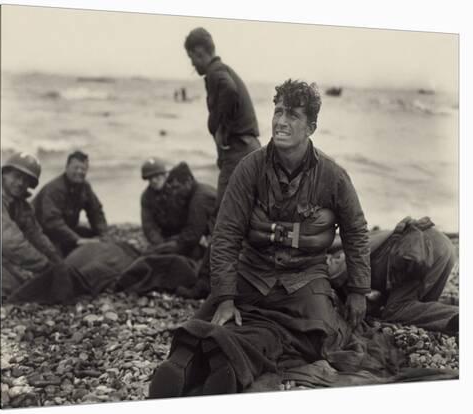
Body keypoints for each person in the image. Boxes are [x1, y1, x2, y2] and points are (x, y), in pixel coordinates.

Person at [149, 79, 374, 398]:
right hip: (252, 275)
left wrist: (358, 290)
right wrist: (226, 296)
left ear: (310, 126)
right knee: (215, 319)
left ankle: (222, 360)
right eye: (278, 111)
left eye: (293, 115)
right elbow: (225, 233)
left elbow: (355, 231)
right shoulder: (249, 168)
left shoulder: (332, 176)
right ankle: (186, 366)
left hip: (305, 281)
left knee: (315, 339)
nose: (281, 121)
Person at [328, 216, 458, 333]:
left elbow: (335, 272)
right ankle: (454, 314)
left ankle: (457, 315)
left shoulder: (344, 256)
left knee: (396, 310)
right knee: (422, 309)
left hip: (417, 251)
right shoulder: (368, 241)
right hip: (442, 246)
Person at [184, 27, 261, 206]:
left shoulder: (215, 72)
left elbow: (229, 90)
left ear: (199, 52)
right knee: (245, 209)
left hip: (239, 149)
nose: (193, 65)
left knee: (225, 211)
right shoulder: (222, 69)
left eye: (191, 58)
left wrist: (221, 128)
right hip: (249, 146)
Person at [1, 152, 63, 298]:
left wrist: (57, 262)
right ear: (5, 174)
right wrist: (44, 265)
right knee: (9, 289)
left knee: (24, 285)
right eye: (16, 176)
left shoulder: (21, 205)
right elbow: (10, 242)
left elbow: (35, 235)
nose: (20, 183)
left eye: (26, 180)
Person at [33, 151, 108, 256]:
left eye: (83, 169)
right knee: (57, 261)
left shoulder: (85, 187)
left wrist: (103, 235)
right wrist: (76, 239)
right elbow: (51, 222)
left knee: (98, 240)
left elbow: (96, 212)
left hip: (65, 230)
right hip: (42, 232)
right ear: (67, 167)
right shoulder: (54, 189)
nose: (79, 172)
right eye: (76, 168)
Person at [140, 159, 216, 260]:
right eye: (150, 178)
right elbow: (149, 226)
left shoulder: (189, 192)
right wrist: (160, 245)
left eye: (157, 176)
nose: (154, 180)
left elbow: (194, 228)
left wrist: (177, 245)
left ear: (164, 175)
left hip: (193, 234)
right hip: (173, 235)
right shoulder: (147, 197)